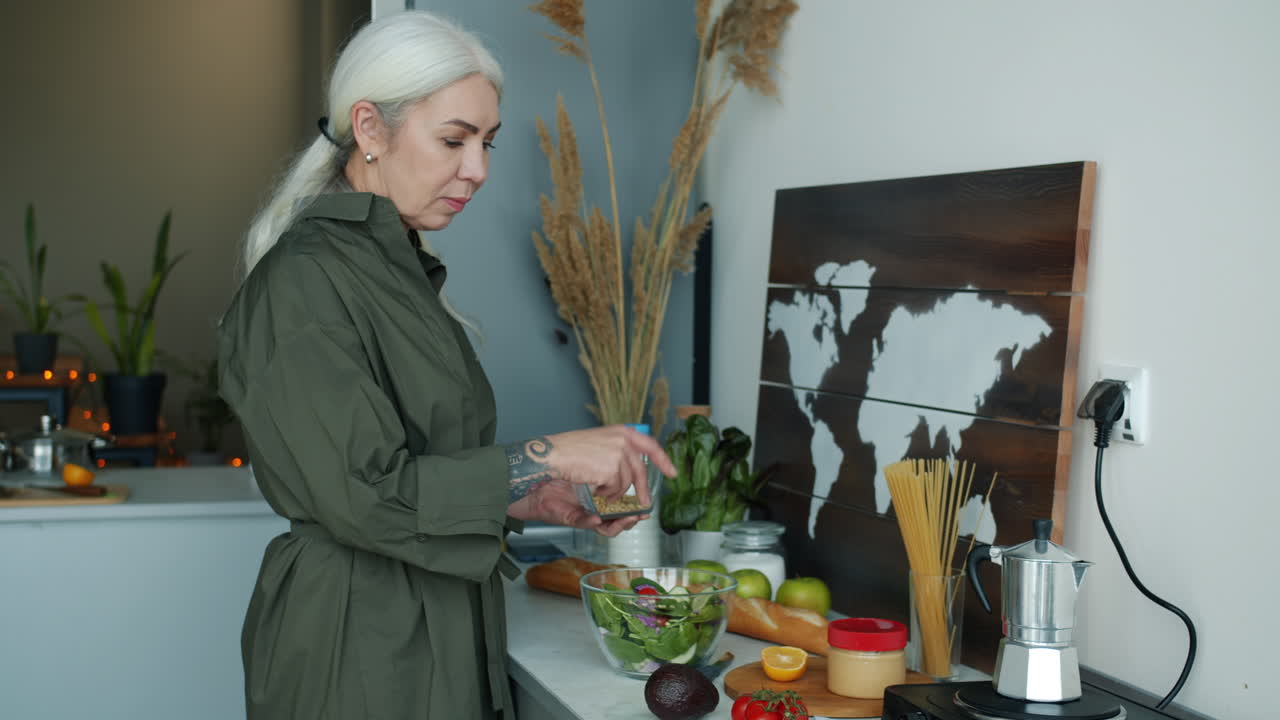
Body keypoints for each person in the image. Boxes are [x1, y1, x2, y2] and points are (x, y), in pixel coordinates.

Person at [216, 11, 675, 720]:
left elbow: (415, 468)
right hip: (359, 649)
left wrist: (523, 495)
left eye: (486, 143)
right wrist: (548, 454)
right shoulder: (303, 282)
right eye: (454, 140)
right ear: (369, 129)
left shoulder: (395, 270)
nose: (479, 169)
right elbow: (365, 494)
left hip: (433, 629)